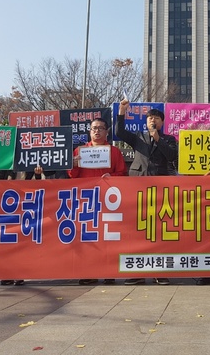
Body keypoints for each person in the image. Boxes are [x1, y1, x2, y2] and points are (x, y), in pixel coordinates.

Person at [115, 99, 178, 285]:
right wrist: (121, 111)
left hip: (160, 189)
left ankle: (160, 271)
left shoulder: (169, 139)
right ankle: (137, 272)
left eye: (156, 118)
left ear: (162, 122)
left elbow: (172, 156)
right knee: (137, 230)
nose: (153, 120)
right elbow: (119, 132)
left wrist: (157, 137)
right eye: (150, 118)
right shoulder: (138, 137)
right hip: (138, 188)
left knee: (158, 229)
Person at [68, 117, 128, 285]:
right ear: (89, 131)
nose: (97, 131)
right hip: (86, 201)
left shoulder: (114, 152)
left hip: (108, 201)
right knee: (89, 239)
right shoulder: (80, 151)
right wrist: (73, 164)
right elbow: (72, 176)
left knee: (108, 238)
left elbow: (123, 174)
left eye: (101, 128)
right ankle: (89, 272)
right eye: (94, 128)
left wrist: (112, 177)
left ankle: (109, 272)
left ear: (106, 132)